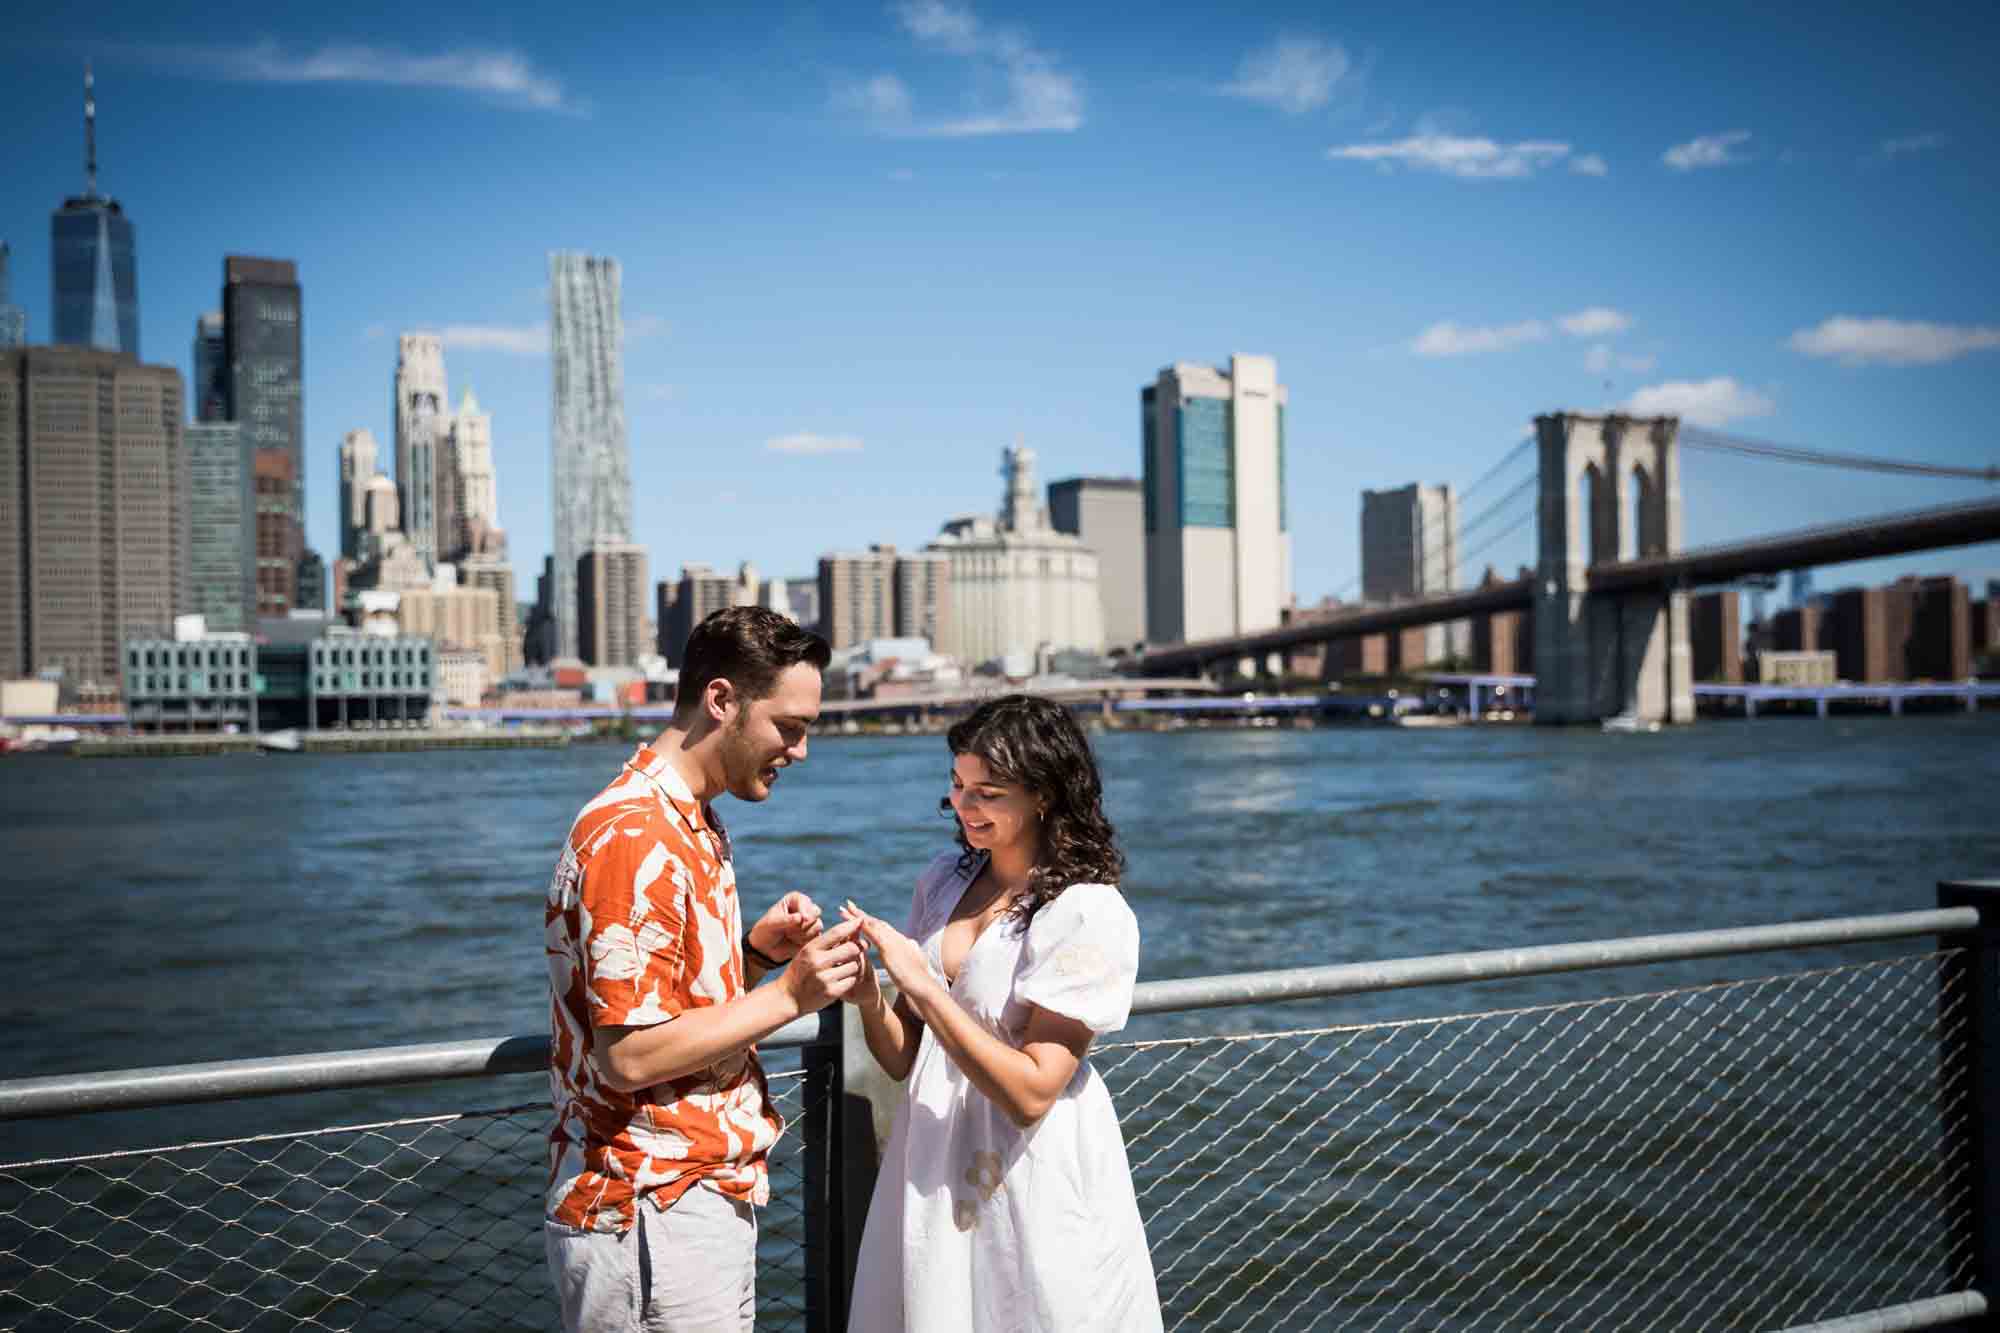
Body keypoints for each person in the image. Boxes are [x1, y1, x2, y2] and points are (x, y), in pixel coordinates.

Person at [543, 606, 867, 1332]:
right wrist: (790, 992)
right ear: (721, 701)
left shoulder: (692, 818)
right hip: (647, 1208)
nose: (802, 750)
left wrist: (750, 954)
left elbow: (658, 1009)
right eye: (790, 725)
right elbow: (628, 1054)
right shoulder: (633, 835)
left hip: (686, 1198)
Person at [840, 694, 1163, 1332]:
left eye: (987, 792)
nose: (965, 807)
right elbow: (906, 1054)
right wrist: (867, 992)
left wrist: (926, 987)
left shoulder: (1085, 911)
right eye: (958, 787)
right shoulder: (943, 880)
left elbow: (1033, 1093)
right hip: (931, 1149)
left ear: (1043, 794)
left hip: (1029, 1165)